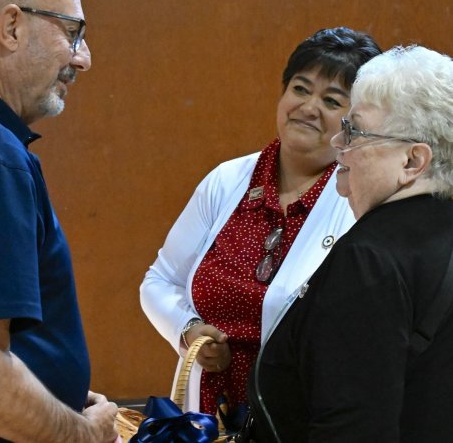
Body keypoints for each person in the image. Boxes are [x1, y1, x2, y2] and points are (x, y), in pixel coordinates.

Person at [140, 27, 382, 430]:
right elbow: (159, 280)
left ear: (354, 121)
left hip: (302, 422)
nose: (308, 107)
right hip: (205, 420)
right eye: (300, 89)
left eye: (331, 100)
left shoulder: (358, 199)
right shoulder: (226, 179)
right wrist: (187, 331)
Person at [247, 45, 453, 442]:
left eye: (355, 130)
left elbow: (352, 428)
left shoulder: (368, 259)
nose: (338, 142)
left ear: (413, 161)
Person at [0, 0, 119, 442]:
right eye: (72, 33)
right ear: (10, 27)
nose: (83, 59)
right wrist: (83, 435)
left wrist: (54, 392)